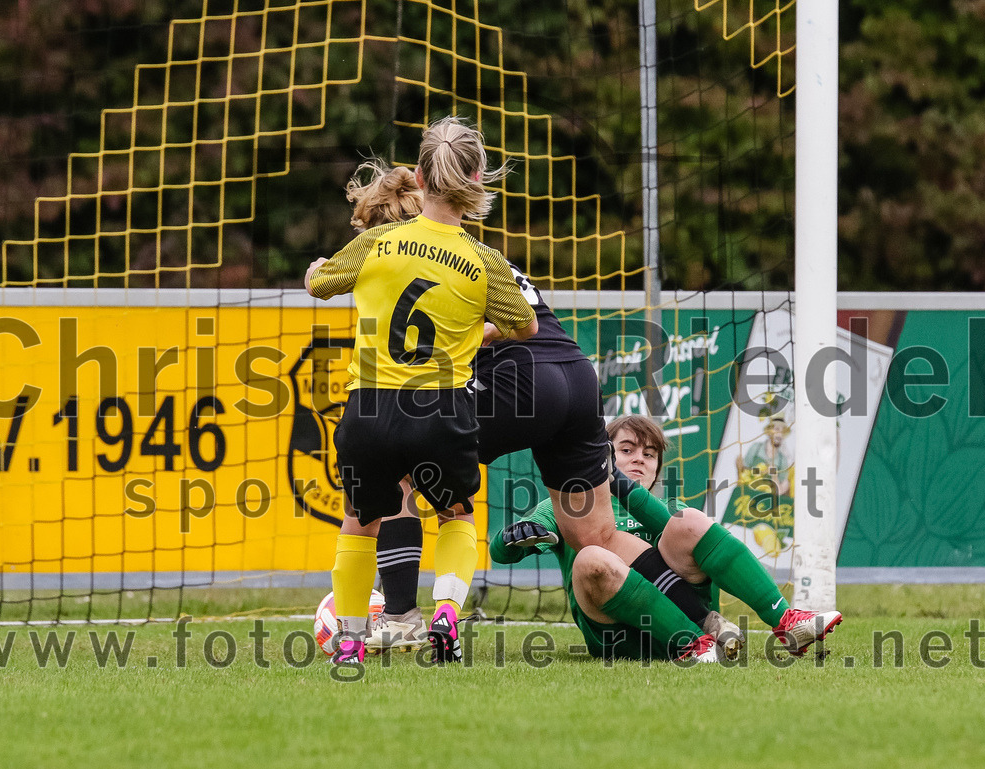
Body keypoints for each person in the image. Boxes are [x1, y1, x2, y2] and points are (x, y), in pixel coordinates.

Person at [336, 157, 732, 655]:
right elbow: (526, 319)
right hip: (574, 377)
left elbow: (503, 329)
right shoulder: (482, 254)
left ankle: (399, 616)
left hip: (518, 383)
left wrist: (461, 340)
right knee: (596, 533)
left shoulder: (411, 257)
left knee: (400, 472)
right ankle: (706, 627)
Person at [305, 116, 539, 664]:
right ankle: (446, 617)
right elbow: (527, 326)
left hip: (369, 409)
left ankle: (349, 644)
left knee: (360, 521)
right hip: (441, 410)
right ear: (477, 177)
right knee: (455, 514)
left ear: (420, 176)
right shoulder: (485, 262)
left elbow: (319, 283)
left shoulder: (380, 242)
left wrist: (318, 268)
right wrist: (478, 328)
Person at [601, 415, 842, 657]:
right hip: (616, 637)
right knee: (591, 558)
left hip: (698, 634)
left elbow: (673, 522)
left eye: (650, 454)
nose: (639, 459)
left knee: (689, 520)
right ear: (603, 456)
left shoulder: (674, 508)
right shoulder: (582, 512)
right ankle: (698, 634)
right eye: (626, 450)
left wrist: (618, 482)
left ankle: (785, 620)